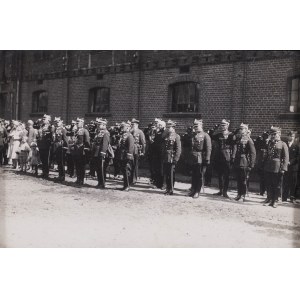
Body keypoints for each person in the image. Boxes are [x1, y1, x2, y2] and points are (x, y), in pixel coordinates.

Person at [263, 126, 289, 208]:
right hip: (268, 166)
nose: (273, 136)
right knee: (269, 183)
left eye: (275, 134)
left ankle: (276, 200)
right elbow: (267, 155)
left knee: (277, 185)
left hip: (277, 167)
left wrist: (284, 168)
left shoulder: (283, 144)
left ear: (279, 134)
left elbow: (286, 157)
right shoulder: (270, 143)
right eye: (272, 134)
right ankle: (270, 199)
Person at [232, 123, 256, 201]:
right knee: (238, 179)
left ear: (246, 130)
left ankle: (243, 195)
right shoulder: (238, 138)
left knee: (243, 180)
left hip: (244, 162)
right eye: (240, 129)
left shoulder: (249, 140)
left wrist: (251, 165)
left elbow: (253, 153)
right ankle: (239, 194)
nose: (241, 130)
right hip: (238, 161)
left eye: (242, 129)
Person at [188, 119, 212, 199]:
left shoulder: (205, 135)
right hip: (193, 157)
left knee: (199, 175)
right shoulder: (193, 135)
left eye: (197, 126)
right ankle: (193, 190)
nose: (195, 128)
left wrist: (207, 159)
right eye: (194, 126)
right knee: (194, 175)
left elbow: (208, 148)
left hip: (201, 158)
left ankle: (197, 191)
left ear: (201, 125)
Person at [212, 119, 234, 199]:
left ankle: (225, 191)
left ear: (228, 125)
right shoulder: (218, 135)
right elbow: (211, 135)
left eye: (224, 125)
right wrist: (215, 128)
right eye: (221, 125)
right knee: (220, 175)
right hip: (219, 157)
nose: (222, 126)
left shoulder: (231, 135)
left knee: (226, 175)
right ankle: (221, 190)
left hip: (227, 157)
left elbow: (234, 146)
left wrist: (233, 157)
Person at [161, 120, 181, 195]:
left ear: (173, 127)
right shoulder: (166, 135)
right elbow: (163, 145)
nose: (168, 128)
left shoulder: (176, 136)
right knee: (167, 173)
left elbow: (178, 148)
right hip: (166, 157)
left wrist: (176, 158)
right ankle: (167, 188)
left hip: (172, 157)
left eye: (169, 127)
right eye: (167, 127)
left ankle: (171, 189)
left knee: (171, 174)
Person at [91, 118, 110, 189]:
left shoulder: (106, 133)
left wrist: (103, 153)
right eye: (98, 124)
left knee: (102, 168)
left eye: (100, 124)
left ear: (104, 125)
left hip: (101, 153)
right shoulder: (98, 132)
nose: (98, 125)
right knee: (98, 168)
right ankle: (99, 182)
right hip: (96, 152)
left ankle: (103, 183)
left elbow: (105, 144)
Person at [71, 118, 90, 186]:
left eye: (78, 122)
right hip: (76, 150)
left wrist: (86, 150)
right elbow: (74, 140)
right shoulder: (76, 131)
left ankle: (81, 180)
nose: (77, 123)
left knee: (82, 166)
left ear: (82, 123)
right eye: (77, 122)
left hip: (82, 151)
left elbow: (87, 142)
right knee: (77, 165)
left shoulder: (85, 131)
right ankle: (78, 178)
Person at [282, 130, 299, 203]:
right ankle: (284, 197)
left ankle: (292, 198)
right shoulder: (284, 144)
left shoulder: (297, 146)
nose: (292, 138)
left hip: (293, 167)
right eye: (290, 136)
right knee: (285, 182)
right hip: (286, 167)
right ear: (287, 136)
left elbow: (298, 157)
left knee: (293, 183)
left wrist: (290, 162)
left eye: (293, 136)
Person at [118, 122, 134, 191]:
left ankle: (127, 186)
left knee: (127, 170)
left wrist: (129, 155)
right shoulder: (123, 135)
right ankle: (125, 185)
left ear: (128, 128)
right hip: (122, 155)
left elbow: (131, 146)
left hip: (126, 155)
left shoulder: (129, 136)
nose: (122, 128)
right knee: (124, 170)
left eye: (123, 127)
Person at [130, 118, 146, 185]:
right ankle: (130, 178)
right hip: (130, 150)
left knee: (135, 165)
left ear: (136, 125)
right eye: (132, 124)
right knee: (130, 164)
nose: (132, 125)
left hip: (136, 150)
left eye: (133, 124)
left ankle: (134, 179)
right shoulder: (130, 131)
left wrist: (143, 151)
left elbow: (143, 142)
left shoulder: (140, 132)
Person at [53, 117, 68, 182]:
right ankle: (60, 175)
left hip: (61, 147)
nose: (57, 123)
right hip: (56, 147)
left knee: (62, 163)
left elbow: (65, 139)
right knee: (58, 162)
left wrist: (66, 147)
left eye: (58, 122)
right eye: (56, 122)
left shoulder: (63, 130)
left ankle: (63, 176)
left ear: (61, 122)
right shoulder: (56, 129)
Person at [255, 131, 269, 196]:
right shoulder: (261, 142)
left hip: (267, 163)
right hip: (260, 162)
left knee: (266, 178)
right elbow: (256, 145)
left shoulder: (269, 143)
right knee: (261, 177)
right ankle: (261, 191)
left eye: (266, 137)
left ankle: (265, 191)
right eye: (264, 137)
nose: (265, 139)